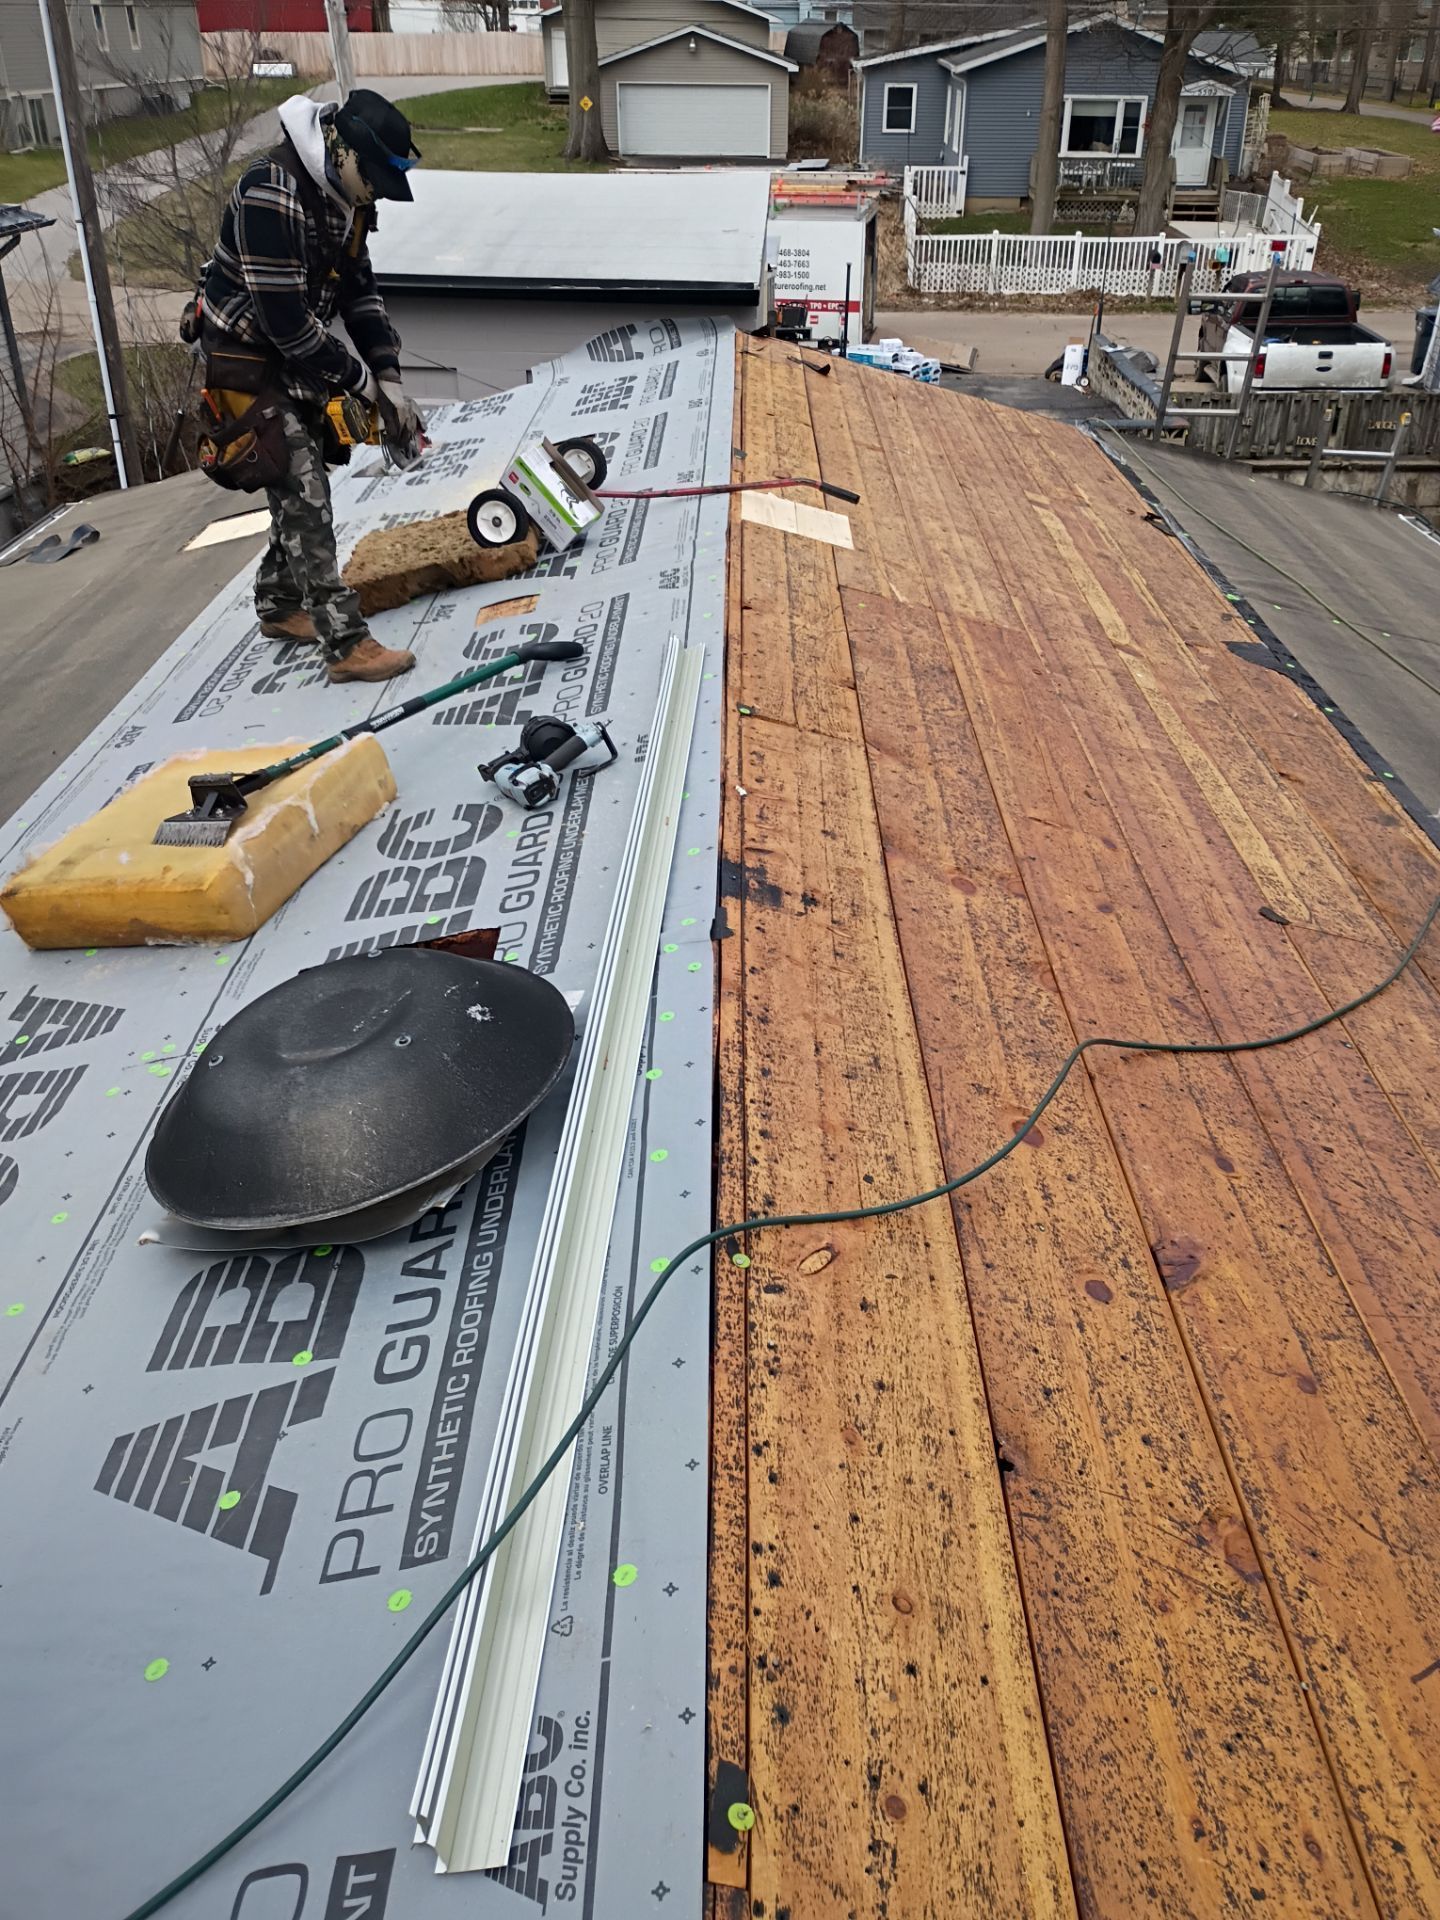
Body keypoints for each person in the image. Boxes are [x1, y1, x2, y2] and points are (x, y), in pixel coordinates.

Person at [200, 89, 427, 683]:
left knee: (299, 478)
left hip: (291, 352)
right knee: (301, 485)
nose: (375, 193)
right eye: (373, 178)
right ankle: (346, 645)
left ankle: (278, 605)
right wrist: (361, 386)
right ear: (341, 149)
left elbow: (359, 294)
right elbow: (286, 324)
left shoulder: (348, 198)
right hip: (245, 355)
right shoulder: (270, 192)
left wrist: (389, 378)